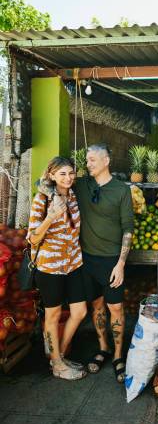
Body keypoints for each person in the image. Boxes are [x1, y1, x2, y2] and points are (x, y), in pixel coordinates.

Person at [75, 143, 134, 383]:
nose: (88, 164)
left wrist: (120, 264)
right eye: (87, 160)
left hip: (111, 261)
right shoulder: (81, 185)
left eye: (92, 160)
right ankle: (103, 348)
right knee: (96, 307)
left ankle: (119, 354)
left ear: (106, 161)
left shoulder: (121, 190)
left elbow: (128, 229)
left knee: (115, 308)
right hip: (87, 259)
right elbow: (50, 181)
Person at [28, 157, 87, 380]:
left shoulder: (72, 196)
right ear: (52, 175)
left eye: (71, 173)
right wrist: (51, 216)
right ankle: (57, 365)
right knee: (52, 316)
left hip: (73, 263)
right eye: (62, 174)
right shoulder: (41, 200)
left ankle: (59, 355)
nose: (68, 178)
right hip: (50, 267)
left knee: (80, 312)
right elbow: (33, 239)